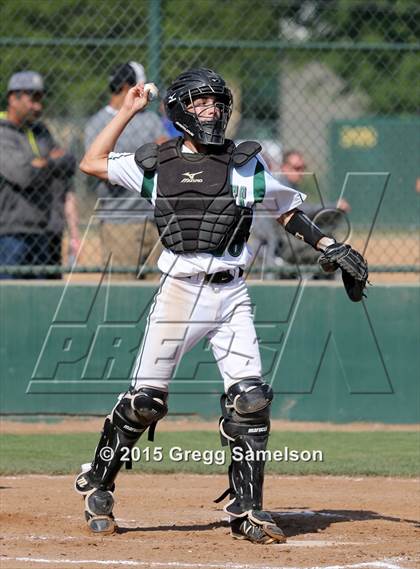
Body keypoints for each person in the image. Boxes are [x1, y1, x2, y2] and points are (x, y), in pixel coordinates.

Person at [74, 68, 365, 543]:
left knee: (250, 401)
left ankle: (247, 510)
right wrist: (128, 111)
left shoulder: (244, 162)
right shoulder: (157, 163)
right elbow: (92, 161)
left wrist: (328, 243)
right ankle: (99, 483)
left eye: (216, 102)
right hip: (178, 293)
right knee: (146, 403)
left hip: (231, 293)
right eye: (200, 103)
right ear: (178, 111)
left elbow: (287, 208)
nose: (211, 110)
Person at [85, 62, 168, 277]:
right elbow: (99, 169)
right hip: (119, 220)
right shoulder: (98, 123)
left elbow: (165, 154)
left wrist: (123, 161)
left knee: (159, 290)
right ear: (124, 86)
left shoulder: (150, 119)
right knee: (121, 292)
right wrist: (146, 157)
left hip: (155, 217)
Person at [0, 71, 78, 279]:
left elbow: (69, 163)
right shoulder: (3, 133)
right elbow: (23, 175)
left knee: (45, 299)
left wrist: (42, 164)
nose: (38, 106)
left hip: (44, 230)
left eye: (40, 99)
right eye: (32, 99)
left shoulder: (41, 131)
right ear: (12, 98)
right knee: (9, 298)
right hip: (11, 231)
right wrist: (52, 161)